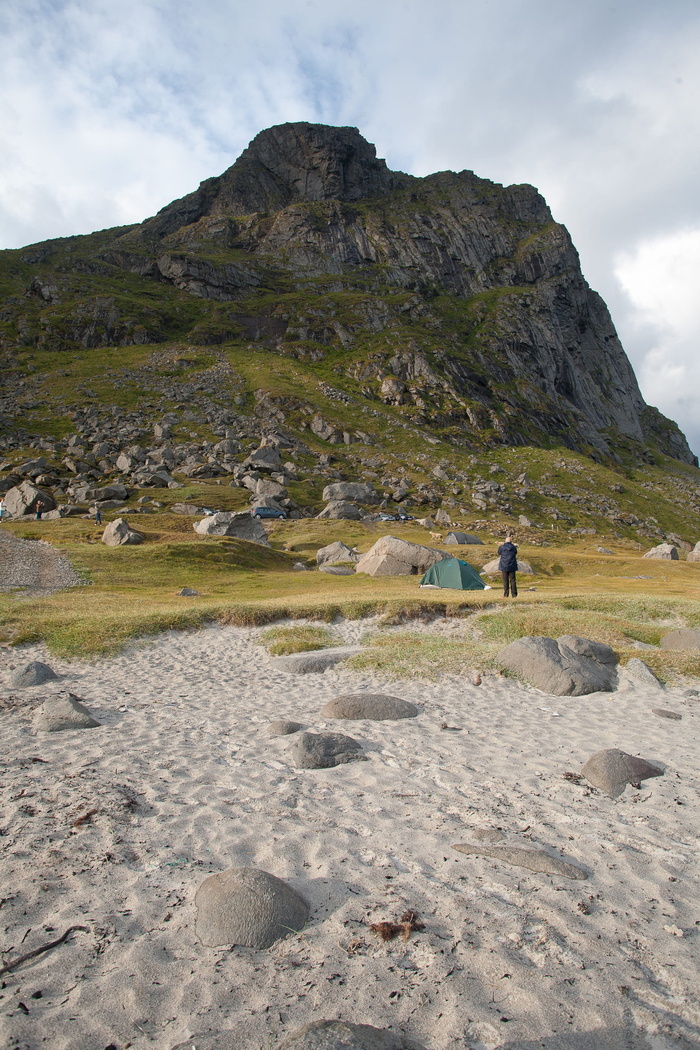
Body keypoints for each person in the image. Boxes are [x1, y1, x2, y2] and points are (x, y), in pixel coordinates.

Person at [498, 533, 518, 597]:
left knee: (505, 580)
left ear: (505, 541)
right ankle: (514, 594)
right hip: (512, 565)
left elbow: (499, 553)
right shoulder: (514, 547)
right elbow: (515, 553)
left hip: (504, 565)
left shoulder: (501, 547)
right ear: (511, 541)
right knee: (513, 580)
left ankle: (506, 594)